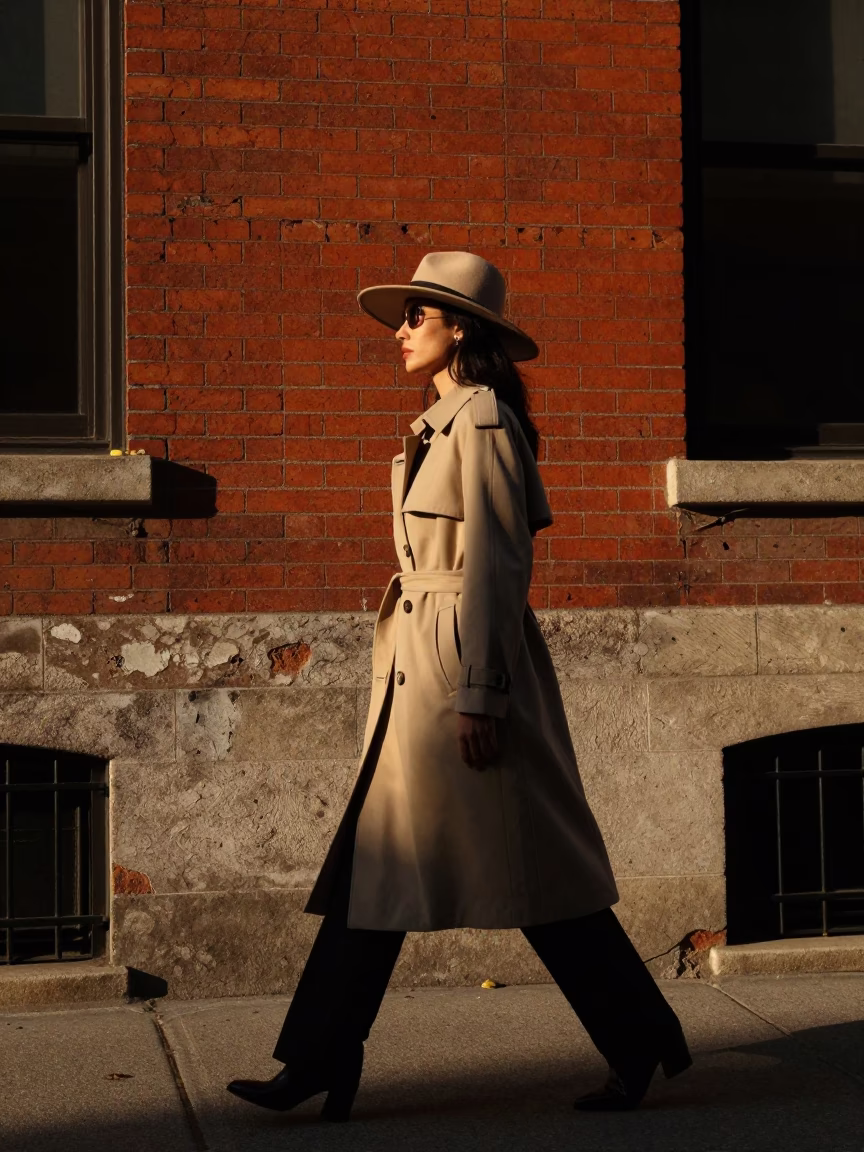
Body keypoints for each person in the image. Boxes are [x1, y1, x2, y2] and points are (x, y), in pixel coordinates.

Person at [227, 251, 691, 1122]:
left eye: (416, 317)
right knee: (380, 869)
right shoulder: (440, 421)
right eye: (403, 318)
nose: (400, 332)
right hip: (419, 671)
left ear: (459, 330)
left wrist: (481, 690)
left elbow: (500, 565)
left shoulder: (481, 423)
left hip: (460, 675)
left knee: (539, 878)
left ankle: (640, 1038)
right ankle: (319, 1060)